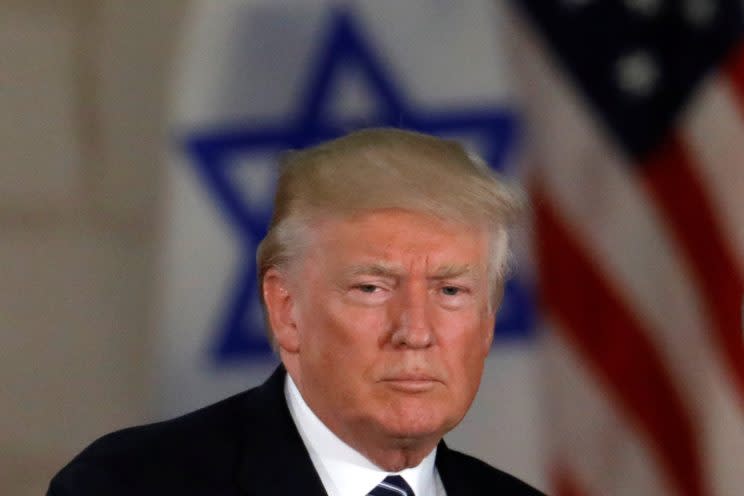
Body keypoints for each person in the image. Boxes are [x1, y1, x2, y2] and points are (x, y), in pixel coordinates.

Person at [48, 129, 544, 495]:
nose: (415, 331)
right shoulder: (128, 485)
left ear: (489, 321)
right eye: (371, 287)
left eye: (451, 291)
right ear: (287, 311)